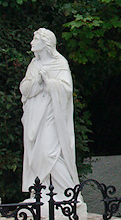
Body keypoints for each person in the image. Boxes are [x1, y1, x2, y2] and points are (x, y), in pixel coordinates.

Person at [20, 28, 80, 197]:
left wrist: (49, 82)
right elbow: (24, 89)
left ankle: (70, 193)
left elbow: (66, 89)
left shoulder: (60, 63)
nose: (32, 43)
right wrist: (37, 82)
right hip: (34, 116)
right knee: (37, 155)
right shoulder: (34, 64)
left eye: (35, 39)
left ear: (45, 43)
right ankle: (42, 194)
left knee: (48, 153)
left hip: (52, 116)